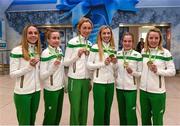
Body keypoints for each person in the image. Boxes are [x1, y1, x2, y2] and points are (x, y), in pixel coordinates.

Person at [140, 28, 176, 125]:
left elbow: (172, 71)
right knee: (145, 119)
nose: (153, 40)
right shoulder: (144, 51)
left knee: (157, 121)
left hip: (157, 93)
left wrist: (158, 71)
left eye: (156, 38)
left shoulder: (165, 52)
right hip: (143, 91)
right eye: (151, 38)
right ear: (147, 39)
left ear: (160, 39)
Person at [63, 17, 93, 125]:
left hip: (85, 80)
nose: (87, 30)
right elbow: (65, 62)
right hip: (74, 80)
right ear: (79, 28)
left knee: (84, 108)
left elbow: (89, 64)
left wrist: (90, 79)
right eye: (84, 28)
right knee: (75, 108)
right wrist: (77, 55)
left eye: (89, 28)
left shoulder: (89, 44)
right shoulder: (72, 42)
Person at [10, 24, 41, 125]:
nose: (33, 35)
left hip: (36, 92)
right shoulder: (17, 51)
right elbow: (12, 74)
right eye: (30, 33)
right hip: (23, 93)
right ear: (25, 35)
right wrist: (29, 67)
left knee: (32, 121)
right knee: (24, 123)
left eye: (35, 33)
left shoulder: (37, 50)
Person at [87, 25, 116, 125]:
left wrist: (115, 63)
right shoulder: (95, 48)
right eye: (104, 33)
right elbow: (89, 65)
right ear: (100, 35)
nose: (106, 35)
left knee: (108, 110)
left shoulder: (113, 48)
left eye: (108, 33)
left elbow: (115, 69)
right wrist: (103, 63)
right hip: (99, 83)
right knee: (99, 110)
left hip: (111, 83)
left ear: (111, 35)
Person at [115, 32, 142, 125]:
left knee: (130, 113)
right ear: (122, 42)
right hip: (119, 88)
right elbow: (115, 69)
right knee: (122, 113)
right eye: (125, 41)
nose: (127, 43)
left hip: (131, 89)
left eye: (129, 41)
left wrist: (132, 72)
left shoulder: (137, 55)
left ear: (133, 42)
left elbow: (140, 73)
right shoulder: (117, 54)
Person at [40, 29, 64, 125]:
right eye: (54, 38)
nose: (57, 40)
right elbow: (42, 76)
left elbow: (61, 70)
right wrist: (53, 67)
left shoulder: (59, 50)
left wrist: (64, 83)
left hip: (60, 88)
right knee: (50, 115)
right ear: (48, 40)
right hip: (50, 89)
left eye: (58, 38)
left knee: (58, 114)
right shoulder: (45, 53)